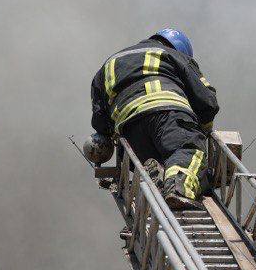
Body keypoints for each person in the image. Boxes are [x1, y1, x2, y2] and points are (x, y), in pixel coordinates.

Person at [90, 28, 219, 210]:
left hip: (130, 131)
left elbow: (100, 119)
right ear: (180, 48)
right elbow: (207, 100)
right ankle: (178, 189)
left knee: (163, 158)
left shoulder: (109, 64)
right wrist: (202, 131)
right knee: (189, 150)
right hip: (168, 116)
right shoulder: (173, 55)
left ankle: (156, 172)